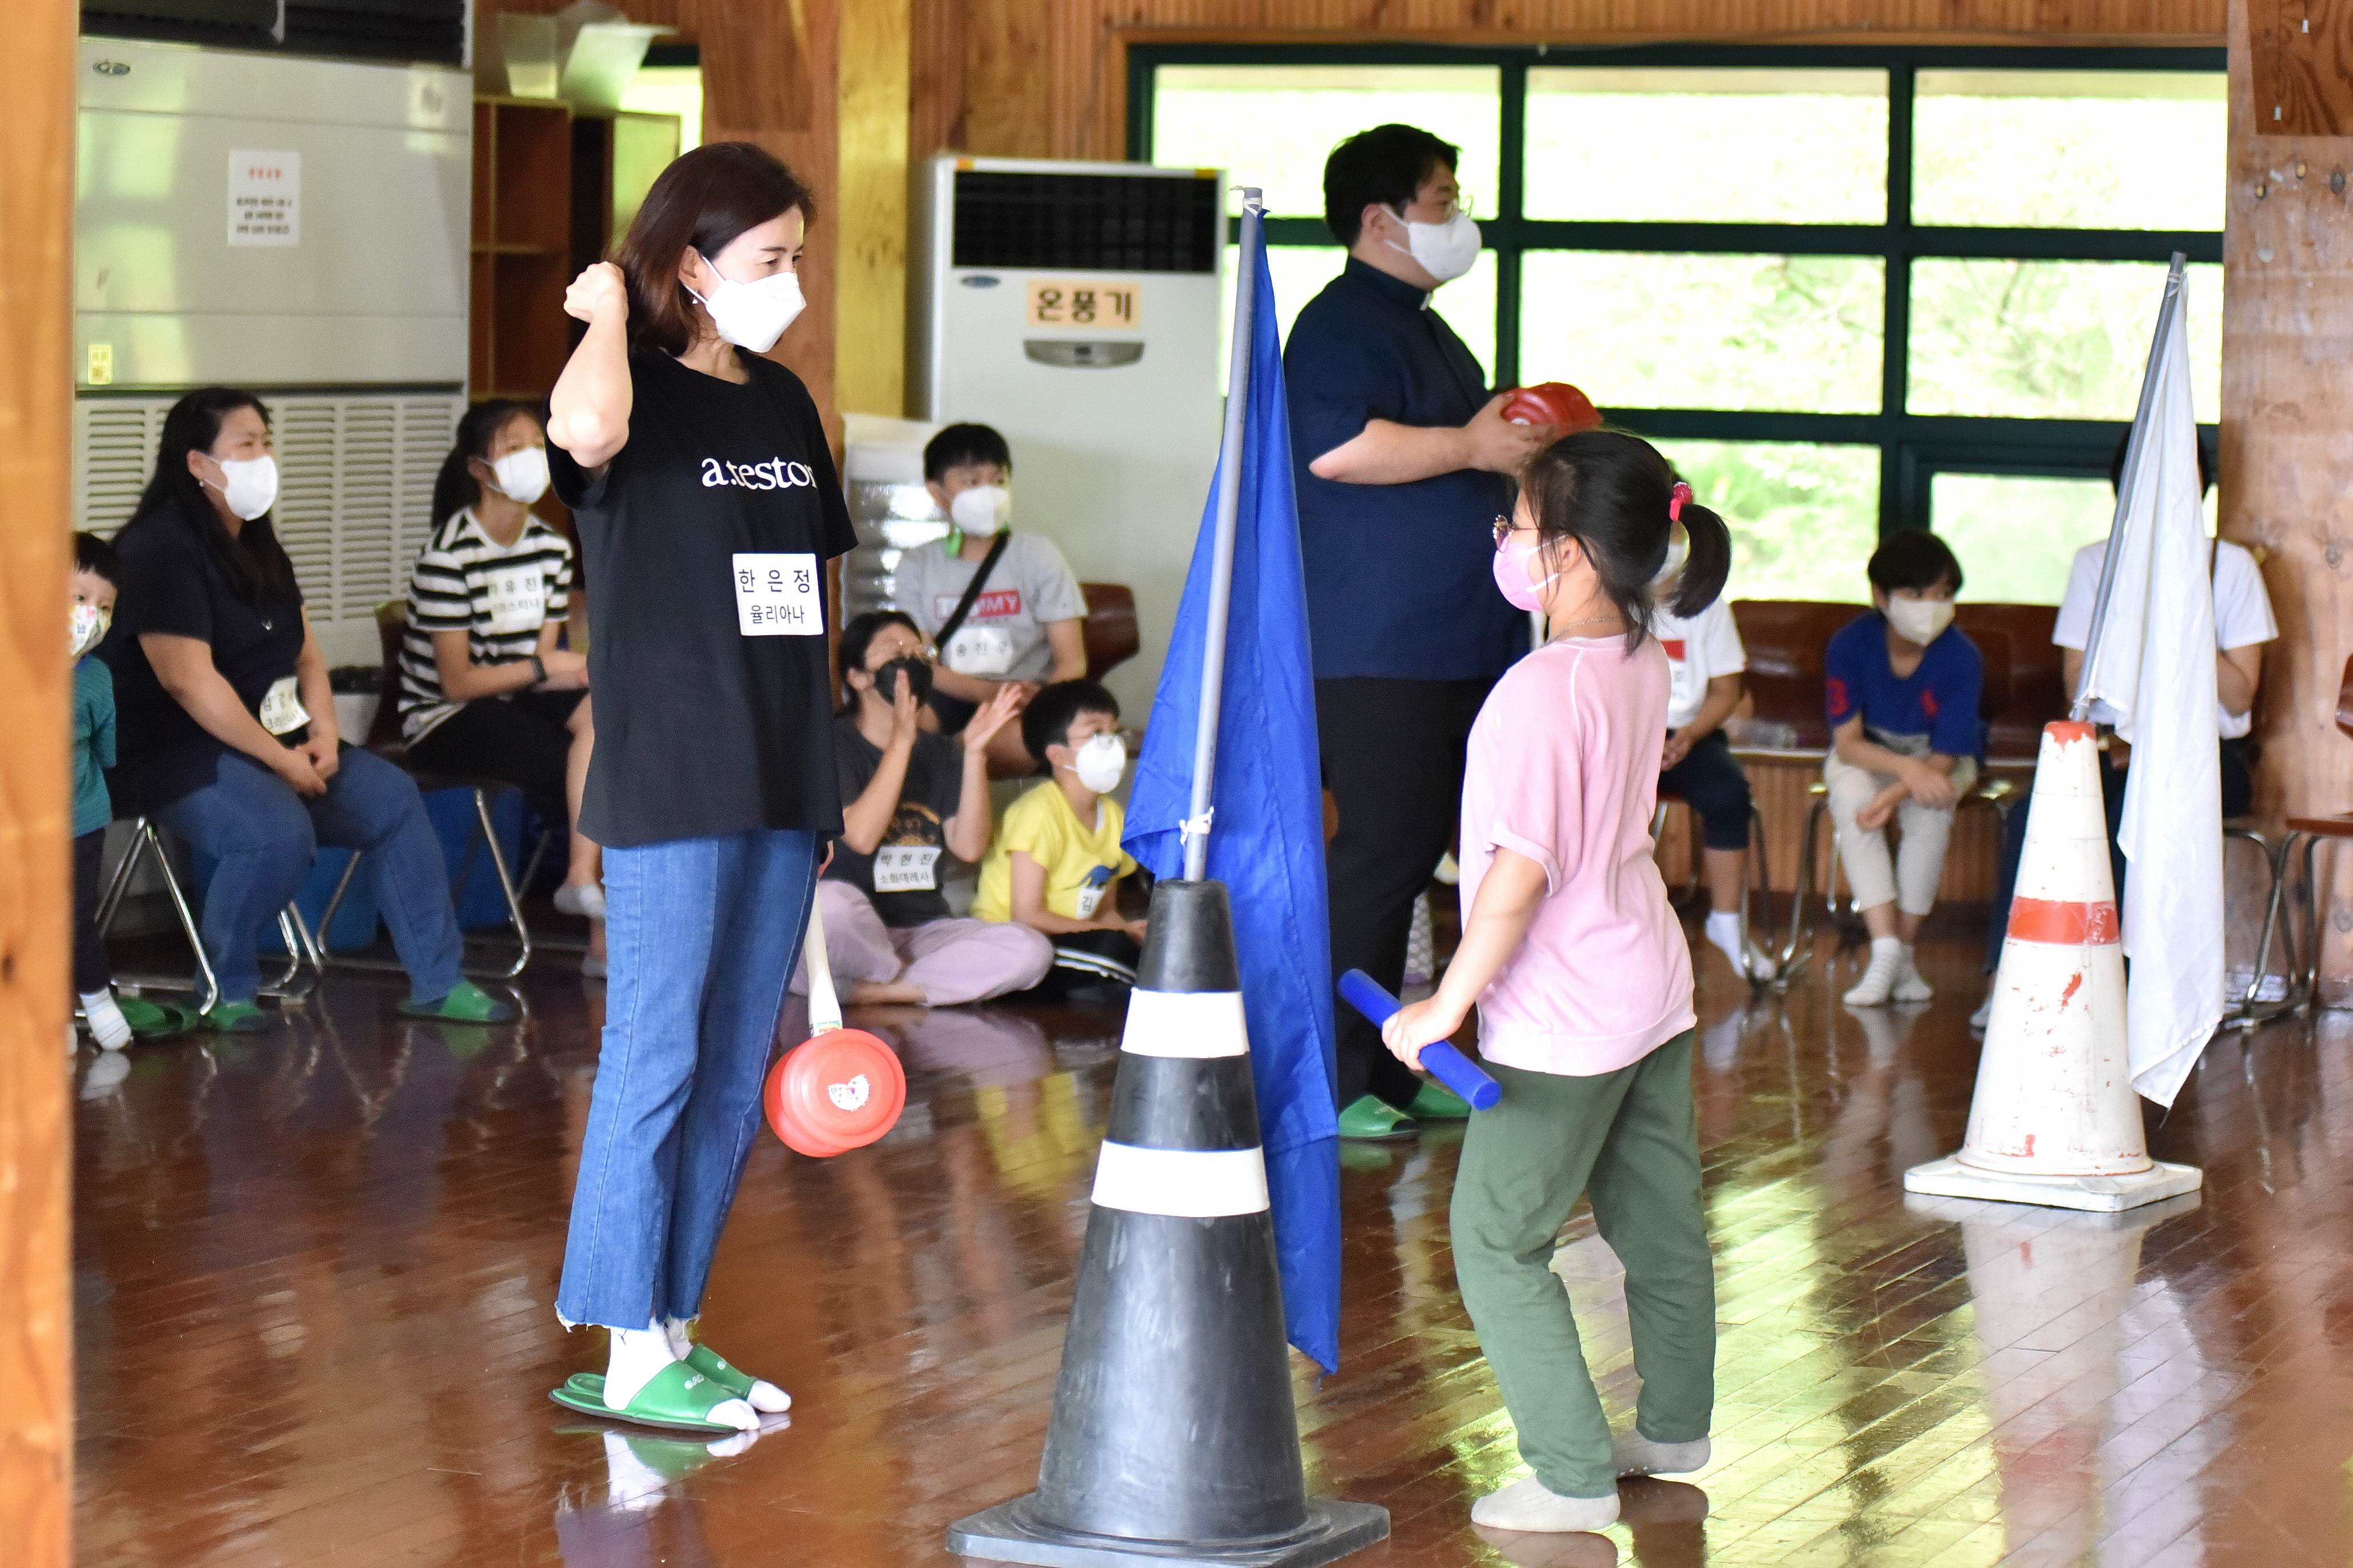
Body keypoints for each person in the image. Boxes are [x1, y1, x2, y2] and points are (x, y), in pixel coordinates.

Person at [544, 142, 855, 1433]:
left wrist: (822, 774)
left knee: (733, 1065)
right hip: (674, 768)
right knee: (656, 1050)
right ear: (691, 262)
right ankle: (624, 1343)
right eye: (769, 258)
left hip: (781, 768)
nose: (792, 280)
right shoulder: (627, 390)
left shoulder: (781, 401)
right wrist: (607, 313)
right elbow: (584, 432)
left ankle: (671, 1321)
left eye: (796, 257)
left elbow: (812, 595)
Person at [1380, 429, 1727, 1533]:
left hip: (1566, 1016)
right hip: (1649, 987)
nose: (1505, 542)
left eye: (1517, 525)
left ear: (1570, 552)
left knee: (1497, 1239)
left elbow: (1518, 874)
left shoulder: (1540, 689)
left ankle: (1571, 1472)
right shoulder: (1642, 656)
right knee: (1658, 1222)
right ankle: (1673, 1428)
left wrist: (1446, 1004)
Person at [1285, 122, 1558, 1141]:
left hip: (1459, 641)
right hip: (1378, 648)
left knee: (1433, 862)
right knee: (1380, 852)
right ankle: (1336, 1078)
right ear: (1381, 218)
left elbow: (1478, 450)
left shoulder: (1432, 330)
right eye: (1442, 200)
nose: (1458, 218)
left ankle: (1406, 1065)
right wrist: (1471, 444)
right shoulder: (1338, 323)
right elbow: (1336, 450)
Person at [103, 388, 515, 1034]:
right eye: (246, 445)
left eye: (266, 443)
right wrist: (279, 761)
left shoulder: (260, 545)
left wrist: (324, 731)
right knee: (276, 833)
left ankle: (439, 982)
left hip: (278, 738)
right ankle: (226, 987)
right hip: (176, 752)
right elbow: (189, 683)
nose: (263, 457)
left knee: (392, 799)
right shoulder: (157, 549)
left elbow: (308, 658)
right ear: (198, 464)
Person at [1975, 437, 2273, 1027]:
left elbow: (2239, 694)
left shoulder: (2229, 566)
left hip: (2206, 757)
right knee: (2033, 815)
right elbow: (2077, 685)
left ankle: (2117, 994)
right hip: (2115, 748)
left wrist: (2182, 606)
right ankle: (2007, 982)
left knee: (2125, 817)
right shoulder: (2096, 564)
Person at [397, 400, 607, 972]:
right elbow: (456, 681)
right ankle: (596, 927)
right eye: (515, 447)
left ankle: (581, 880)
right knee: (574, 762)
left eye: (538, 445)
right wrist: (547, 667)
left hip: (517, 695)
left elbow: (541, 658)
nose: (533, 457)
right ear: (478, 468)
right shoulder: (447, 556)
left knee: (613, 730)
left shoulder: (550, 548)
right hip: (445, 717)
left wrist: (574, 670)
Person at [793, 611, 1052, 1006]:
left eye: (919, 653)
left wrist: (974, 754)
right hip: (852, 929)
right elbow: (860, 837)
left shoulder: (942, 752)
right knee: (827, 908)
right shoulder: (832, 745)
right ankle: (904, 978)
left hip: (923, 930)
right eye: (895, 651)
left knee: (1031, 949)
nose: (911, 661)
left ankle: (875, 990)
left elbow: (969, 847)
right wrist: (902, 741)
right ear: (858, 677)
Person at [1822, 531, 1984, 1008]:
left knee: (1931, 809)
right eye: (1916, 594)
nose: (1931, 606)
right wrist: (1901, 774)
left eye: (1943, 594)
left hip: (1937, 758)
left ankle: (1905, 951)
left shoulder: (1961, 657)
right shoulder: (1849, 644)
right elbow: (1848, 743)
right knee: (1852, 800)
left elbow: (1944, 758)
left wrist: (1898, 791)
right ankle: (1885, 948)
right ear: (1881, 595)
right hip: (1870, 754)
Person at [892, 422, 1088, 773]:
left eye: (998, 481)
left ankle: (951, 766)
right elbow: (921, 662)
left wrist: (1034, 702)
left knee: (1010, 745)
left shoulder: (1038, 555)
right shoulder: (916, 565)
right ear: (937, 492)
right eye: (971, 482)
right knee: (901, 733)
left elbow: (1072, 662)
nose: (989, 493)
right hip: (947, 694)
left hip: (1028, 699)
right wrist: (987, 694)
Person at [67, 532, 195, 1051]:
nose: (90, 616)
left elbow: (106, 750)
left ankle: (97, 1000)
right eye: (79, 598)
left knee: (75, 917)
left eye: (104, 608)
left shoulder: (97, 677)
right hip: (21, 826)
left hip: (80, 820)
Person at [970, 680, 1148, 990]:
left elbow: (1105, 913)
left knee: (1150, 952)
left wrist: (1133, 932)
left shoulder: (1114, 818)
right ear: (1057, 755)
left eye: (1116, 732)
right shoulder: (1037, 813)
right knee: (1119, 956)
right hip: (1013, 941)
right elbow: (1027, 915)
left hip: (1075, 938)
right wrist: (1116, 936)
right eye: (1096, 734)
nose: (1113, 743)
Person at [1651, 547, 1776, 983]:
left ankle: (1726, 921)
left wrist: (1688, 736)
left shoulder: (1707, 604)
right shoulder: (1609, 595)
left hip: (1691, 733)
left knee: (1728, 793)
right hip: (1624, 734)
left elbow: (1726, 691)